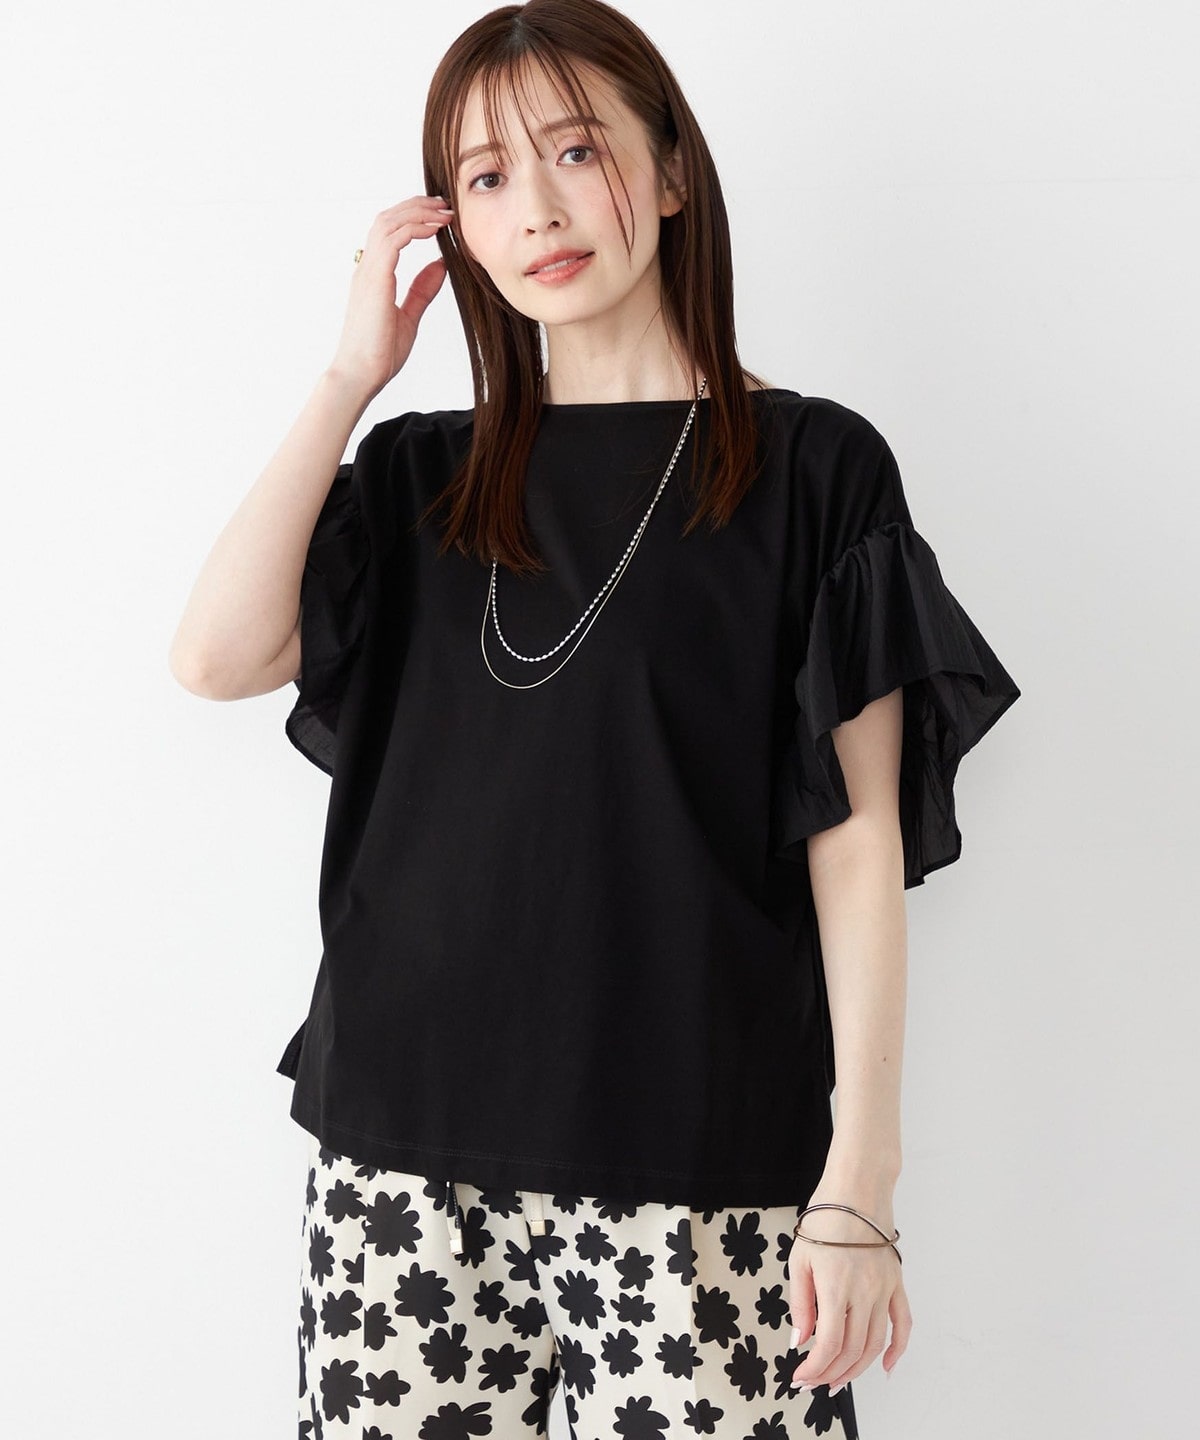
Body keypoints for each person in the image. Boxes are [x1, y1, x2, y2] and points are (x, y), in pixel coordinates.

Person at [169, 2, 1021, 1435]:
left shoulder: (814, 470)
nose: (539, 210)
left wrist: (860, 1180)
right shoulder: (418, 475)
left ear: (672, 171)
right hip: (403, 1158)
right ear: (453, 223)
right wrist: (348, 376)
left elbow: (858, 840)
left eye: (577, 151)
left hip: (700, 1160)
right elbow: (217, 657)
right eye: (487, 175)